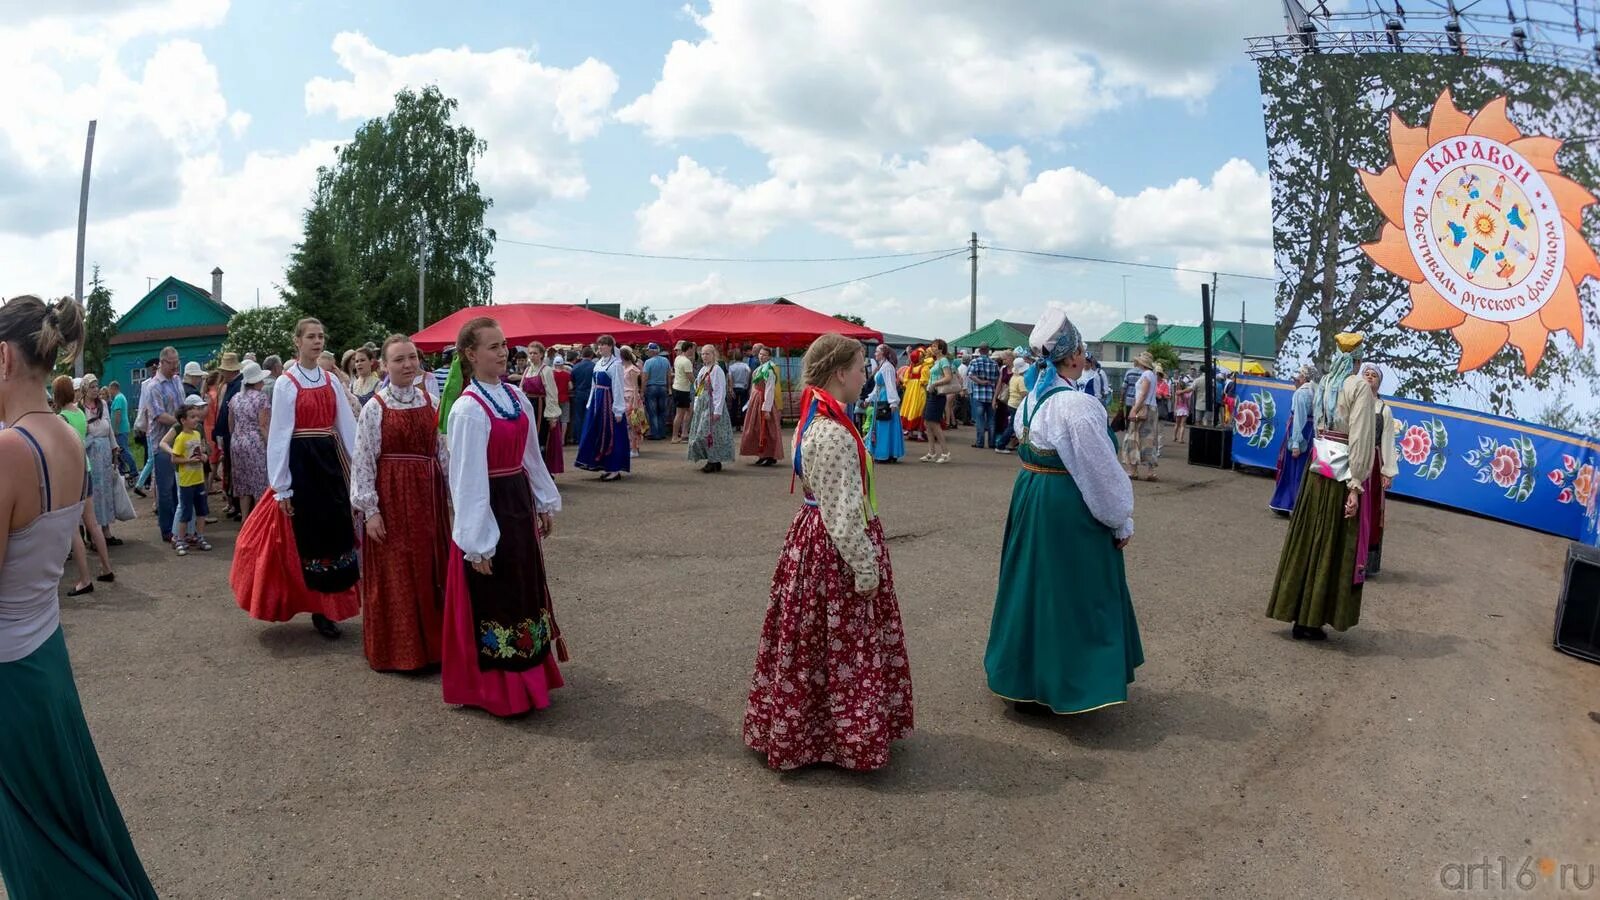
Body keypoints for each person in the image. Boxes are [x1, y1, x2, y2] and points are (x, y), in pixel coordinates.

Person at [0, 295, 158, 900]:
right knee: (68, 820)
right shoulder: (64, 436)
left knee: (41, 845)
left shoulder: (12, 449)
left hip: (12, 672)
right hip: (45, 653)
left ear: (3, 359)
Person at [743, 333, 913, 771]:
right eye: (860, 367)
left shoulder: (814, 416)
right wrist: (866, 566)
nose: (865, 375)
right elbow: (842, 513)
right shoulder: (832, 431)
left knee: (812, 640)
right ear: (840, 373)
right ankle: (843, 736)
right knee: (842, 641)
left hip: (811, 538)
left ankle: (811, 728)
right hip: (832, 547)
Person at [985, 305, 1142, 716]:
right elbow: (1099, 473)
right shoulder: (1077, 407)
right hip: (1063, 506)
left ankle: (1024, 679)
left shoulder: (1033, 400)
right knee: (1072, 591)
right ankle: (1066, 683)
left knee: (1031, 586)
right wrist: (1119, 518)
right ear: (1073, 357)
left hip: (1031, 494)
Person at [441, 317, 566, 716]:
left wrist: (545, 501)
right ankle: (499, 687)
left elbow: (533, 456)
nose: (503, 352)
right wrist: (476, 543)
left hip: (517, 502)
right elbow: (466, 480)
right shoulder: (467, 409)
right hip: (490, 505)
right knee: (497, 594)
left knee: (522, 587)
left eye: (504, 344)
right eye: (493, 346)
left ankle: (529, 674)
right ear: (470, 355)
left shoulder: (515, 397)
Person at [230, 317, 361, 640]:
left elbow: (347, 425)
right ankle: (316, 605)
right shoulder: (288, 382)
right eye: (311, 337)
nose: (317, 342)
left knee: (334, 532)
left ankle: (328, 608)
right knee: (309, 535)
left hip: (329, 462)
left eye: (321, 336)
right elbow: (279, 434)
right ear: (297, 342)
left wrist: (362, 464)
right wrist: (282, 486)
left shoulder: (330, 381)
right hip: (302, 463)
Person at [1266, 332, 1377, 640]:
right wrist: (1356, 485)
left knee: (1308, 540)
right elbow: (1361, 437)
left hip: (1317, 471)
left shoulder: (1324, 382)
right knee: (1331, 544)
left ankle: (1299, 614)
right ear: (1357, 360)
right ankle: (1314, 618)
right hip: (1341, 476)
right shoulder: (1359, 388)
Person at [352, 335, 450, 673]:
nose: (408, 364)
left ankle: (433, 648)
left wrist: (454, 494)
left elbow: (443, 451)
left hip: (428, 495)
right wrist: (371, 511)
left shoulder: (431, 401)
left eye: (412, 358)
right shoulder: (374, 408)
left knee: (429, 564)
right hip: (392, 496)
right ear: (384, 366)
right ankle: (399, 652)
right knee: (396, 569)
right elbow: (363, 461)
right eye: (399, 359)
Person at [55, 376, 115, 596]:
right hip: (86, 468)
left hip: (72, 474)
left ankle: (84, 579)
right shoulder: (80, 413)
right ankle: (106, 568)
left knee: (74, 528)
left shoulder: (61, 418)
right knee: (93, 524)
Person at [137, 346, 182, 543]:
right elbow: (159, 415)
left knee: (179, 488)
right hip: (161, 444)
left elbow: (182, 406)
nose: (175, 366)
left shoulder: (177, 380)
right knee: (165, 489)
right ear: (162, 363)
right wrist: (183, 423)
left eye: (177, 362)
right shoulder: (153, 386)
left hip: (180, 440)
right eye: (171, 363)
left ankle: (179, 525)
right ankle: (167, 529)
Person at [573, 335, 631, 482]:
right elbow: (594, 385)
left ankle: (614, 468)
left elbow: (618, 387)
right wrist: (590, 403)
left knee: (612, 435)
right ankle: (605, 465)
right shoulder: (598, 363)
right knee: (596, 433)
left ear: (611, 347)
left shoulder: (616, 364)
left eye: (603, 345)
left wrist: (618, 410)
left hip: (608, 403)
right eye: (599, 345)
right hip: (597, 404)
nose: (600, 347)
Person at [1360, 363, 1398, 577]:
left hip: (1372, 462)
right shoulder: (1352, 401)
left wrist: (1387, 471)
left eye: (1374, 375)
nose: (1370, 377)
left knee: (1369, 509)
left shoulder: (1384, 410)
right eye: (1366, 374)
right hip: (1351, 456)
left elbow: (1388, 441)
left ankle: (1365, 560)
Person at [161, 398, 212, 556]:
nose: (197, 418)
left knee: (201, 509)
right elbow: (168, 450)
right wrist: (183, 457)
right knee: (184, 509)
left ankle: (197, 536)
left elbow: (203, 449)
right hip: (185, 477)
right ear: (184, 419)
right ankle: (179, 538)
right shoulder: (180, 433)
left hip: (197, 477)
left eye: (198, 415)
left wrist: (204, 456)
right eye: (193, 415)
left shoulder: (197, 431)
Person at [1269, 364, 1318, 515]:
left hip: (1301, 433)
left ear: (1304, 377)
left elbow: (1299, 419)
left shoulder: (1301, 393)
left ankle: (1290, 504)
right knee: (1304, 470)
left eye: (1298, 377)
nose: (1296, 380)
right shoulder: (1317, 391)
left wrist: (1295, 443)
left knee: (1293, 470)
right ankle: (1298, 505)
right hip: (1311, 435)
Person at [80, 376, 122, 548]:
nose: (95, 389)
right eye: (92, 386)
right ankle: (93, 535)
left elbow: (108, 428)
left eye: (97, 386)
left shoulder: (102, 405)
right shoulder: (80, 408)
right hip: (91, 454)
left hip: (104, 453)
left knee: (106, 493)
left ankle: (106, 532)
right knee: (93, 496)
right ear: (84, 389)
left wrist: (114, 449)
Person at [228, 360, 271, 520]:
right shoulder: (261, 398)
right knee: (260, 483)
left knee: (243, 483)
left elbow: (230, 424)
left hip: (237, 441)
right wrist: (270, 446)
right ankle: (259, 522)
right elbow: (263, 426)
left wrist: (236, 436)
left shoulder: (235, 398)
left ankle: (246, 520)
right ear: (258, 381)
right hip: (255, 442)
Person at [688, 344, 734, 473]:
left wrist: (717, 410)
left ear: (714, 354)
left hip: (712, 405)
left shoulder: (717, 369)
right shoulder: (703, 369)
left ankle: (713, 461)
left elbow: (720, 391)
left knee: (709, 434)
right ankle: (713, 460)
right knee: (705, 434)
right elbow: (698, 389)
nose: (704, 356)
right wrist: (697, 404)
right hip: (703, 405)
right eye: (702, 353)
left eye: (707, 353)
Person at [211, 352, 244, 520]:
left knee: (235, 472)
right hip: (229, 435)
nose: (223, 374)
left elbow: (231, 414)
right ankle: (235, 505)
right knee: (230, 471)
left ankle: (238, 506)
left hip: (234, 436)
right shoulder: (232, 385)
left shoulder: (238, 386)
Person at [740, 346, 784, 466]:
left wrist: (766, 409)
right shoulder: (760, 368)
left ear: (769, 356)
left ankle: (770, 455)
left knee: (768, 428)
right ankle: (762, 453)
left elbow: (770, 390)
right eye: (760, 354)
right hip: (757, 400)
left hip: (764, 400)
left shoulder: (769, 370)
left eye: (764, 355)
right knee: (758, 428)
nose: (761, 356)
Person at [1121, 351, 1159, 481]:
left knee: (1133, 438)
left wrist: (1134, 409)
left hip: (1143, 407)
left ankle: (1133, 470)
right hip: (1151, 408)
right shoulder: (1152, 374)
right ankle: (1150, 471)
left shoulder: (1146, 375)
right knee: (1148, 439)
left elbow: (1143, 394)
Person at [865, 343, 905, 464]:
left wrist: (893, 402)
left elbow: (890, 385)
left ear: (883, 353)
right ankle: (885, 453)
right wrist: (869, 398)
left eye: (877, 351)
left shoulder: (887, 367)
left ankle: (886, 454)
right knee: (881, 426)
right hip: (881, 398)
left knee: (884, 427)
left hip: (885, 399)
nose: (875, 353)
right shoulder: (883, 366)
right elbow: (878, 386)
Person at [922, 339, 954, 463]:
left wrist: (934, 384)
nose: (932, 348)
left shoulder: (943, 360)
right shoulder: (937, 361)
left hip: (938, 394)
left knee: (934, 424)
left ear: (941, 349)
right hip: (932, 394)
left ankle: (945, 452)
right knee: (927, 423)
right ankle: (932, 452)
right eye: (932, 346)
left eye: (935, 346)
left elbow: (948, 377)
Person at [993, 355, 1029, 454]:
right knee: (1012, 426)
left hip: (1011, 403)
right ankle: (1001, 445)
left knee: (1012, 425)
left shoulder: (1013, 377)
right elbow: (1023, 393)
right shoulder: (1020, 379)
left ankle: (1003, 444)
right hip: (1017, 404)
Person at [966, 343, 1000, 449]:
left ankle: (980, 442)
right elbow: (998, 378)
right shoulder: (994, 363)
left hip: (978, 394)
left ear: (979, 351)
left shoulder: (975, 361)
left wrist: (980, 381)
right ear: (988, 350)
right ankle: (992, 442)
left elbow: (970, 374)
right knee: (991, 420)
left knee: (980, 419)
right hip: (991, 394)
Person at [106, 380, 136, 478]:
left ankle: (133, 470)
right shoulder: (121, 397)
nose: (109, 392)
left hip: (120, 429)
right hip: (123, 428)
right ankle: (122, 469)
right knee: (120, 452)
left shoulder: (118, 398)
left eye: (110, 389)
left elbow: (117, 414)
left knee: (123, 450)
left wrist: (115, 429)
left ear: (114, 388)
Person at [642, 343, 672, 440]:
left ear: (651, 351)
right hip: (663, 387)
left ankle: (655, 433)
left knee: (653, 412)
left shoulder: (648, 362)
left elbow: (645, 378)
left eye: (648, 351)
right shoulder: (665, 360)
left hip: (651, 387)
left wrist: (642, 391)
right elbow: (669, 375)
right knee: (662, 411)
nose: (647, 352)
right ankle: (662, 432)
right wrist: (669, 387)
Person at [899, 348, 929, 442]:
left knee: (909, 409)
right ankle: (920, 434)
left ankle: (910, 432)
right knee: (919, 410)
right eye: (921, 357)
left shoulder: (910, 368)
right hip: (919, 391)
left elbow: (906, 381)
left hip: (910, 392)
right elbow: (925, 381)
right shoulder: (924, 368)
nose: (923, 358)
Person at [621, 346, 646, 458]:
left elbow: (636, 387)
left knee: (633, 425)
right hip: (625, 398)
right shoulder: (624, 368)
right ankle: (632, 447)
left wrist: (635, 402)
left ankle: (634, 448)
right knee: (629, 425)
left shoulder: (632, 369)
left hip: (631, 399)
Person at [569, 347, 595, 449]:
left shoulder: (575, 367)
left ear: (582, 355)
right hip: (590, 393)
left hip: (578, 393)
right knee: (590, 416)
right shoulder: (595, 366)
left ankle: (578, 438)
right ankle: (589, 437)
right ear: (591, 355)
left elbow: (572, 381)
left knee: (578, 417)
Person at [671, 340, 695, 443]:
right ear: (688, 349)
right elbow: (690, 377)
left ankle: (683, 433)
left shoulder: (678, 358)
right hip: (682, 389)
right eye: (692, 349)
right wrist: (698, 385)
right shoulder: (686, 361)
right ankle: (675, 436)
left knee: (688, 410)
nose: (693, 352)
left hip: (677, 387)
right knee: (680, 413)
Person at [727, 351, 751, 430]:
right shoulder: (745, 366)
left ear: (734, 357)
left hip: (735, 387)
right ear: (742, 357)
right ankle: (743, 424)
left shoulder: (731, 367)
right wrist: (747, 382)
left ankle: (734, 425)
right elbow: (749, 372)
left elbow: (730, 378)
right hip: (743, 387)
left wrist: (730, 388)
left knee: (734, 406)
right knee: (744, 406)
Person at [1172, 371, 1193, 444]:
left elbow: (1176, 402)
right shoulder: (1187, 394)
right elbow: (1188, 403)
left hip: (1178, 409)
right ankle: (1181, 439)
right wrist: (1189, 410)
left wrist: (1174, 410)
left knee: (1177, 424)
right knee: (1182, 425)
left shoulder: (1177, 393)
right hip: (1185, 409)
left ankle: (1174, 437)